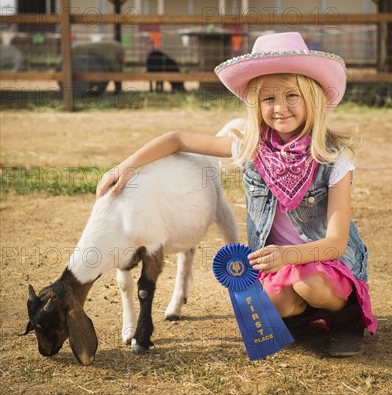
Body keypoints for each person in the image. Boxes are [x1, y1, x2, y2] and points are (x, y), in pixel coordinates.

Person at [96, 31, 377, 357]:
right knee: (274, 299)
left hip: (326, 264)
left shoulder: (333, 158)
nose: (280, 108)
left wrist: (287, 255)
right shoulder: (249, 147)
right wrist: (124, 167)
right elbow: (177, 139)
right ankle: (302, 317)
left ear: (311, 98)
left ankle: (346, 320)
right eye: (269, 99)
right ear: (256, 105)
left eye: (292, 96)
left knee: (308, 283)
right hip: (277, 265)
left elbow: (336, 243)